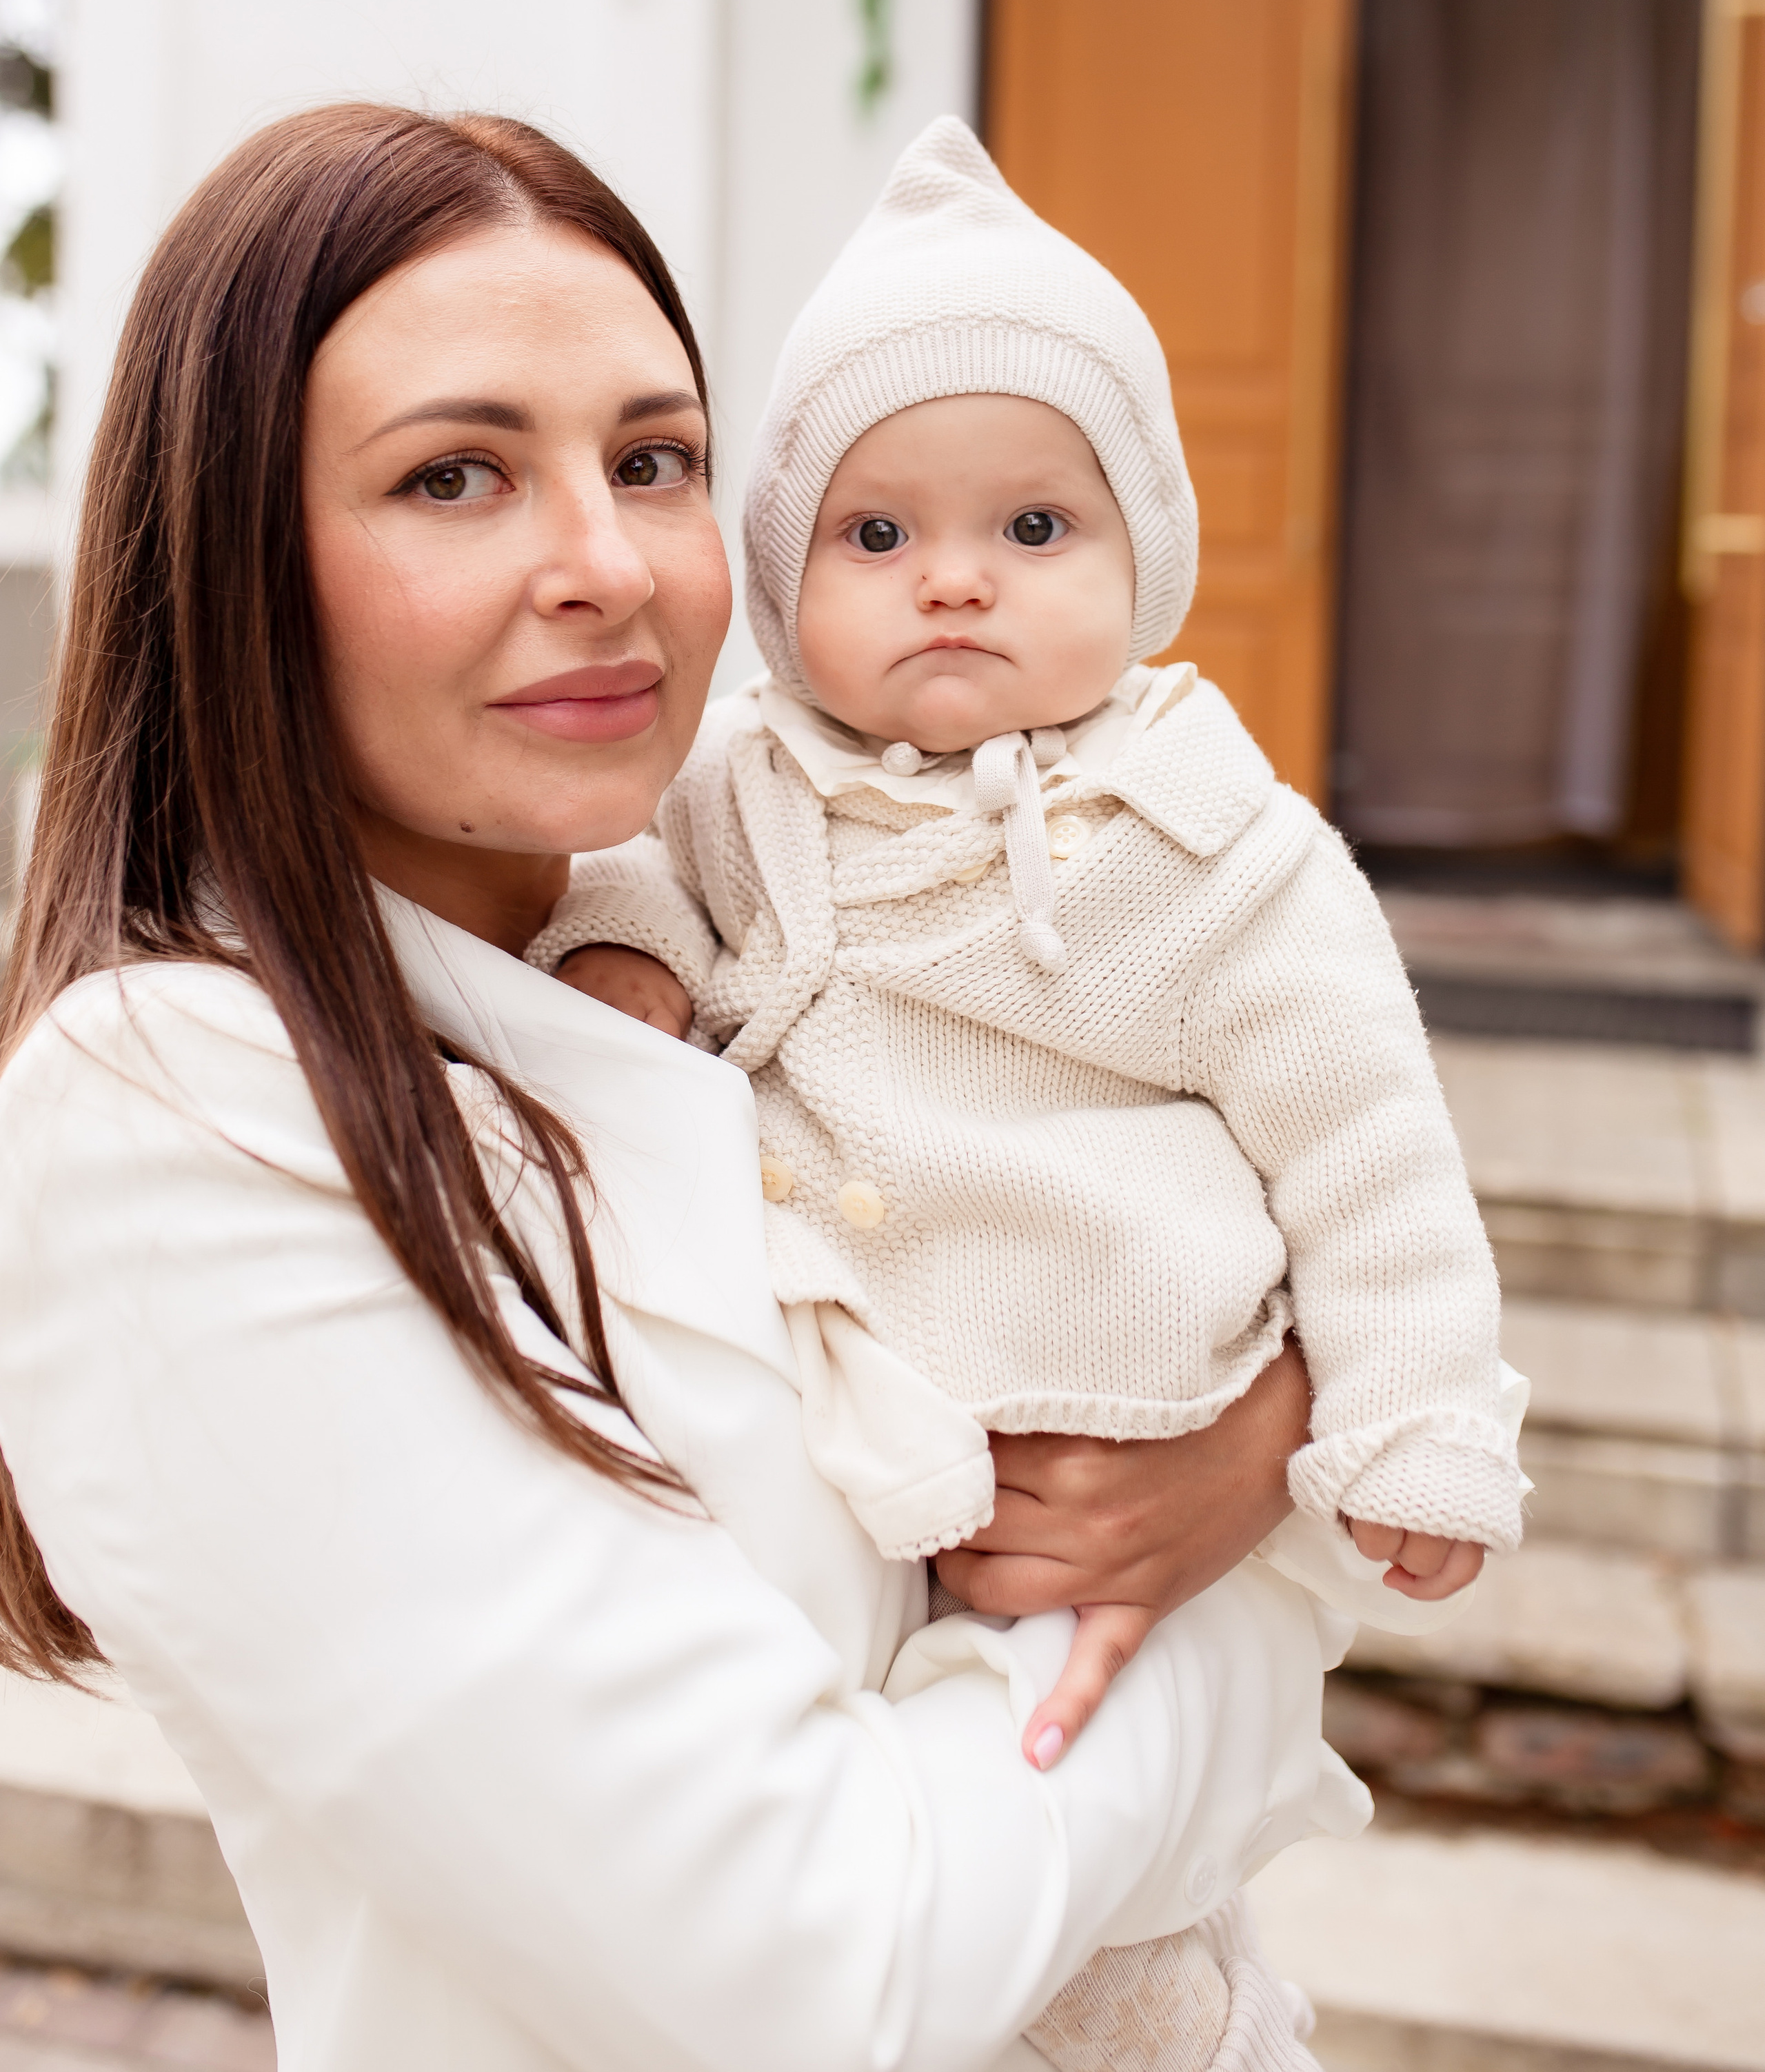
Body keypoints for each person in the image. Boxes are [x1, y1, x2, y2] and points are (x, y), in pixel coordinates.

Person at [0, 105, 1362, 2072]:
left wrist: (1293, 1421)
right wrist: (1230, 1578)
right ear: (231, 564)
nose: (607, 567)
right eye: (454, 476)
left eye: (654, 462)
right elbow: (815, 1969)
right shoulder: (169, 1111)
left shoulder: (784, 943)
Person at [537, 113, 1527, 1775]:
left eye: (1032, 531)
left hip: (1116, 1451)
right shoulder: (739, 785)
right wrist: (625, 958)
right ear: (783, 582)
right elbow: (630, 878)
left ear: (1146, 562)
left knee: (1090, 1891)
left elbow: (1371, 1158)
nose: (951, 585)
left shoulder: (1215, 844)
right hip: (836, 1463)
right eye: (875, 538)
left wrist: (1412, 1421)